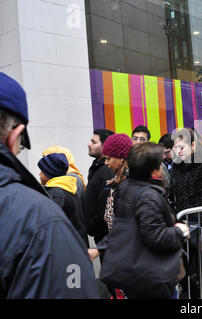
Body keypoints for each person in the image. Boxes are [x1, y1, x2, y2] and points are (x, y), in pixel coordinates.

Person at [0, 72, 98, 298]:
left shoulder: (49, 202)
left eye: (43, 168)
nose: (38, 173)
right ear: (15, 135)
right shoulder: (41, 209)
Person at [105, 142, 190, 299]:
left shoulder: (126, 188)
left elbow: (123, 227)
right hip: (154, 277)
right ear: (155, 171)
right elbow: (155, 236)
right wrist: (180, 231)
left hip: (136, 273)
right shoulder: (148, 196)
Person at [170, 128, 202, 298]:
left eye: (182, 147)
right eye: (176, 147)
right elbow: (170, 195)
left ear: (193, 145)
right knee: (183, 275)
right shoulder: (177, 166)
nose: (178, 150)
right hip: (182, 228)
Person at [88, 133, 133, 260]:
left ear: (122, 158)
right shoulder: (116, 182)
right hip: (119, 247)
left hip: (129, 252)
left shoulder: (128, 186)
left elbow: (126, 226)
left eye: (108, 158)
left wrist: (100, 249)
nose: (106, 163)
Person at [38, 153, 88, 247]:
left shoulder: (57, 194)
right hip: (75, 246)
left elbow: (50, 225)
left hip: (68, 249)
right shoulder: (67, 187)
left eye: (42, 171)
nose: (39, 174)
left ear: (50, 173)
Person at [85, 128, 115, 245]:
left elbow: (105, 206)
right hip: (100, 236)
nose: (89, 144)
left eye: (94, 142)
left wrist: (97, 228)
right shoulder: (97, 167)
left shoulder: (107, 171)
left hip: (106, 237)